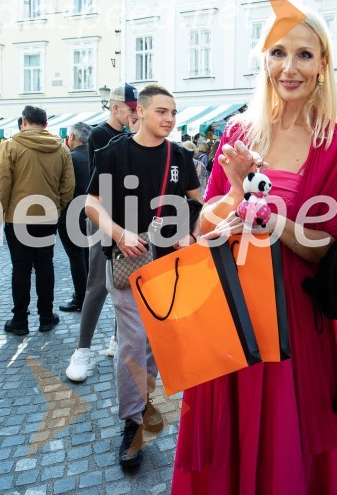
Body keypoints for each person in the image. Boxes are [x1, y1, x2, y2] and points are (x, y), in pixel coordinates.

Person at [172, 0, 337, 493]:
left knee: (288, 447)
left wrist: (273, 221)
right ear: (264, 60)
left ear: (323, 63)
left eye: (303, 53)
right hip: (232, 314)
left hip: (295, 321)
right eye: (278, 52)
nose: (289, 66)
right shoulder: (240, 129)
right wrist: (235, 192)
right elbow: (204, 228)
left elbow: (328, 248)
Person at [85, 83, 201, 469]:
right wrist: (119, 233)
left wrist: (192, 231)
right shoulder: (113, 153)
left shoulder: (181, 155)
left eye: (174, 113)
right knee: (133, 342)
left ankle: (142, 402)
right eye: (162, 112)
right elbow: (92, 204)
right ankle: (132, 422)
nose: (169, 119)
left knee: (155, 343)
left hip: (172, 265)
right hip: (128, 262)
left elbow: (197, 201)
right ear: (140, 113)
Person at [65, 84, 139, 381]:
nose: (136, 112)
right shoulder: (99, 135)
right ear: (116, 107)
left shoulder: (132, 134)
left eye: (137, 108)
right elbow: (109, 181)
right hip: (102, 217)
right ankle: (82, 349)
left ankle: (116, 338)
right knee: (97, 284)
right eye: (131, 108)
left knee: (129, 280)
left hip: (131, 217)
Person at [0, 105, 75, 335]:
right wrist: (57, 207)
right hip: (47, 216)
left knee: (21, 268)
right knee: (45, 265)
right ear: (46, 124)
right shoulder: (61, 148)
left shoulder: (10, 145)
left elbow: (2, 185)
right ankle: (46, 317)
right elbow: (68, 187)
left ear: (23, 122)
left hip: (17, 218)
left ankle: (20, 320)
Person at [57, 122, 92, 313]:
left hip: (71, 213)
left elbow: (63, 187)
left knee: (76, 258)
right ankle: (88, 294)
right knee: (87, 256)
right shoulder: (96, 156)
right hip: (93, 213)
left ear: (72, 138)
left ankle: (80, 298)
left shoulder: (70, 158)